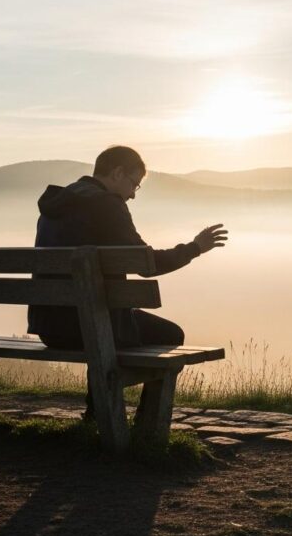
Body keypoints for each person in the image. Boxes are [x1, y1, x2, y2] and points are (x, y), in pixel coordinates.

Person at [26, 145, 227, 419]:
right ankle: (146, 423)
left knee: (101, 323)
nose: (132, 194)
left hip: (49, 325)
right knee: (170, 335)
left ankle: (98, 410)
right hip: (87, 328)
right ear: (117, 173)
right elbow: (145, 265)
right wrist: (194, 248)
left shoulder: (53, 204)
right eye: (134, 184)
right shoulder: (107, 205)